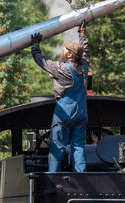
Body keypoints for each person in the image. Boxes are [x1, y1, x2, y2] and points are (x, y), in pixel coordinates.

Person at [30, 21, 89, 172]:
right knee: (78, 148)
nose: (62, 51)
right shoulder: (84, 66)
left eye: (64, 50)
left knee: (57, 149)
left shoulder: (61, 68)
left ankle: (53, 178)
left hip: (64, 114)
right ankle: (81, 177)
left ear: (69, 54)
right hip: (81, 113)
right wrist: (82, 32)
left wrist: (35, 46)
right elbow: (86, 50)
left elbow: (42, 61)